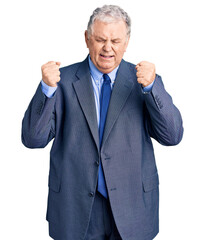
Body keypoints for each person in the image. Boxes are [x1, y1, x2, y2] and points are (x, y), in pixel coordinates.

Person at [21, 4, 183, 240]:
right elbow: (33, 140)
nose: (108, 48)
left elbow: (172, 136)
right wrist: (46, 90)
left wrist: (152, 87)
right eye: (100, 39)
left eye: (115, 41)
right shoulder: (61, 82)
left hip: (132, 207)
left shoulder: (145, 81)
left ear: (127, 43)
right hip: (75, 209)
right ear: (87, 39)